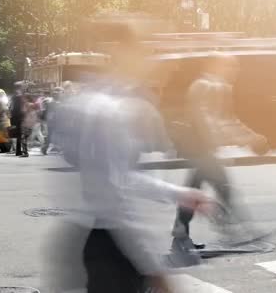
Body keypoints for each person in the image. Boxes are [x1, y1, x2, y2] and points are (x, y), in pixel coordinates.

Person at [46, 17, 212, 293]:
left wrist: (179, 194)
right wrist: (150, 265)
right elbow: (115, 195)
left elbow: (113, 177)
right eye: (144, 48)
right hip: (114, 247)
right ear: (121, 52)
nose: (151, 57)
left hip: (90, 239)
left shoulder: (87, 102)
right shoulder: (111, 109)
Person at [170, 53, 267, 255]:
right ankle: (236, 231)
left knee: (194, 189)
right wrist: (221, 141)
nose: (236, 71)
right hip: (202, 147)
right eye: (231, 66)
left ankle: (181, 232)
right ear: (217, 65)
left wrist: (250, 137)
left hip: (202, 147)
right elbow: (206, 117)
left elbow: (228, 120)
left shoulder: (213, 85)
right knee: (223, 188)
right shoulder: (208, 85)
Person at [41, 87, 63, 155]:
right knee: (54, 135)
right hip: (54, 120)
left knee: (51, 135)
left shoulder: (48, 101)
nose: (60, 94)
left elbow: (44, 110)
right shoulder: (53, 102)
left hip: (52, 120)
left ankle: (46, 148)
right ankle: (46, 148)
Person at [10, 82, 26, 157]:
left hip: (15, 117)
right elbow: (18, 108)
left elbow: (12, 108)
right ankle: (19, 151)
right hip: (18, 117)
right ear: (20, 87)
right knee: (20, 134)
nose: (23, 87)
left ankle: (18, 151)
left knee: (18, 134)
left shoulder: (14, 96)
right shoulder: (19, 96)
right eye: (22, 86)